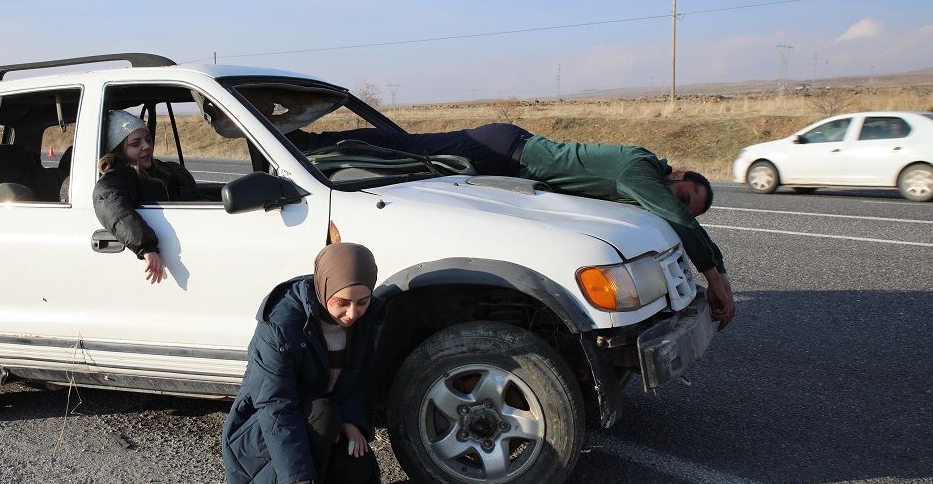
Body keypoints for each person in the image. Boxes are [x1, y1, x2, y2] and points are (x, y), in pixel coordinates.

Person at [290, 124, 735, 328]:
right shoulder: (640, 168)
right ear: (676, 175)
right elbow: (676, 219)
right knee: (400, 146)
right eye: (682, 196)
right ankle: (302, 144)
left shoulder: (641, 180)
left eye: (685, 206)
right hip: (504, 151)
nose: (674, 206)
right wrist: (716, 278)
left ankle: (309, 144)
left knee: (402, 149)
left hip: (511, 154)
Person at [222, 242, 388, 484]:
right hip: (265, 429)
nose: (353, 314)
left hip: (324, 419)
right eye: (342, 303)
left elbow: (362, 376)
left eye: (362, 301)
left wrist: (353, 419)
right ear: (324, 287)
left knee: (355, 469)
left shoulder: (369, 318)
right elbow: (276, 407)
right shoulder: (282, 323)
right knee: (325, 413)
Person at [92, 109, 198, 284]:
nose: (146, 146)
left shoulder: (168, 171)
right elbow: (109, 203)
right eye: (135, 144)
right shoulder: (119, 177)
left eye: (148, 140)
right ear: (118, 150)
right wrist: (146, 247)